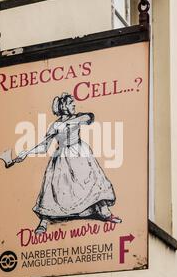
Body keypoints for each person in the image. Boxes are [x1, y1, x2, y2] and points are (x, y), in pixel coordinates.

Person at [17, 93, 122, 234]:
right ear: (64, 106)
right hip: (62, 156)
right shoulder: (54, 125)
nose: (74, 105)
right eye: (71, 103)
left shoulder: (77, 118)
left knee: (93, 179)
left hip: (79, 152)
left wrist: (67, 123)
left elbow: (89, 117)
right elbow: (44, 146)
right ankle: (45, 220)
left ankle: (105, 212)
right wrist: (27, 152)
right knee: (53, 187)